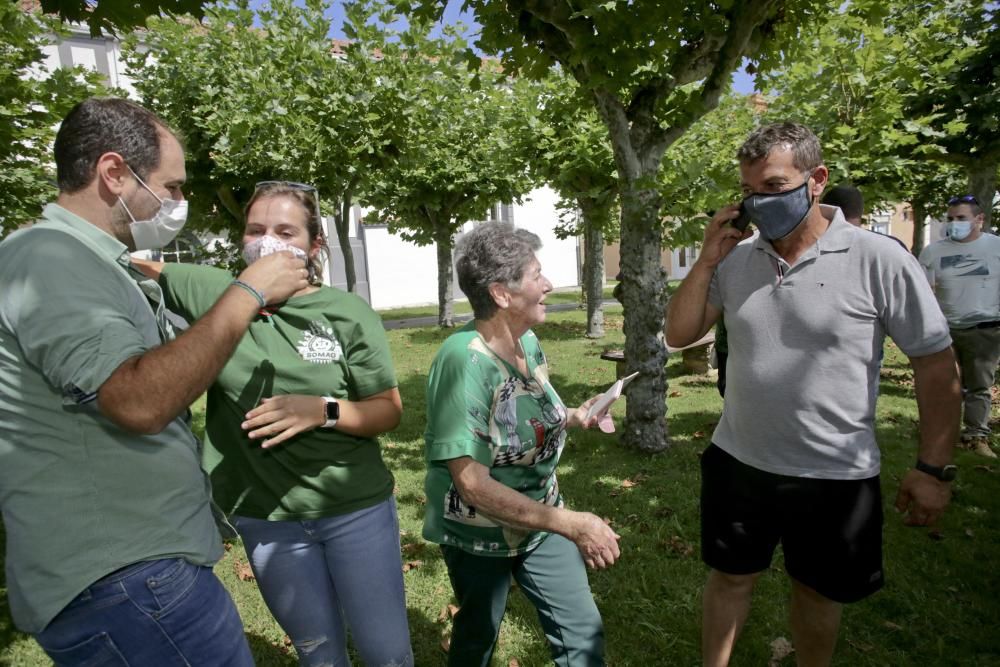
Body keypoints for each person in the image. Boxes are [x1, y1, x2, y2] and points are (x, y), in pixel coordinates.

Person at [0, 97, 308, 664]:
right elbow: (138, 400)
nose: (178, 203)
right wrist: (247, 293)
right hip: (125, 578)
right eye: (171, 187)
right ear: (114, 172)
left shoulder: (91, 262)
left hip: (136, 573)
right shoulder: (49, 257)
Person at [666, 122, 961, 667]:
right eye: (751, 191)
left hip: (835, 474)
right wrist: (707, 258)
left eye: (775, 188)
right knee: (731, 578)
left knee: (817, 592)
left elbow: (935, 365)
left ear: (817, 180)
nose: (761, 203)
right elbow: (680, 335)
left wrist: (933, 467)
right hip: (740, 461)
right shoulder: (736, 259)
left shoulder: (879, 258)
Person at [134, 181, 413, 666]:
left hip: (354, 509)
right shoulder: (217, 294)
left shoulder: (346, 312)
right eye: (256, 230)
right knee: (318, 654)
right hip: (267, 519)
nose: (267, 242)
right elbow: (134, 268)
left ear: (314, 245)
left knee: (386, 653)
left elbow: (387, 409)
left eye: (285, 231)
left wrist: (323, 409)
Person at [422, 222, 621, 667]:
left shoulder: (527, 342)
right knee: (477, 635)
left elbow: (523, 413)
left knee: (582, 634)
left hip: (539, 520)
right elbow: (471, 485)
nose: (548, 285)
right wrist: (570, 523)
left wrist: (573, 415)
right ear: (501, 294)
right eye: (536, 276)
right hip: (478, 534)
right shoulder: (464, 362)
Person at [918, 194, 1000, 459]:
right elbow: (924, 292)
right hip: (944, 331)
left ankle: (976, 435)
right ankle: (942, 436)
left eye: (961, 218)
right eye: (950, 219)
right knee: (944, 386)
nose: (954, 223)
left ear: (979, 219)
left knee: (978, 386)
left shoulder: (995, 247)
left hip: (984, 329)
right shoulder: (933, 252)